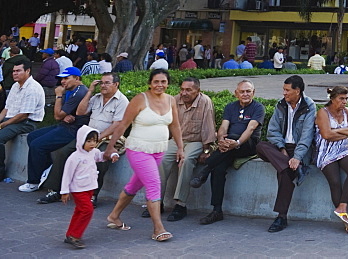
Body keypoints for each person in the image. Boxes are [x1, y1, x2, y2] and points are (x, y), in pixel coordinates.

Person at [103, 68, 184, 243]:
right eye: (156, 81)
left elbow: (175, 126)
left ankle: (114, 216)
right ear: (150, 83)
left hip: (158, 150)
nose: (159, 85)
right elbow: (123, 124)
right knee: (154, 183)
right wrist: (110, 147)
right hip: (138, 149)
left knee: (134, 185)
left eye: (163, 82)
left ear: (168, 83)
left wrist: (180, 147)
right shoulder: (140, 99)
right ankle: (158, 228)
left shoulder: (171, 100)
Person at [38, 72, 128, 205]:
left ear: (116, 84)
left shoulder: (122, 101)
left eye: (107, 83)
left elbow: (117, 125)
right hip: (89, 136)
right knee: (63, 153)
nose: (103, 86)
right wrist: (90, 91)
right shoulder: (96, 97)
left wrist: (98, 138)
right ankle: (56, 191)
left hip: (108, 138)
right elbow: (80, 112)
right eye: (101, 83)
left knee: (102, 161)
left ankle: (92, 196)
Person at [191, 79, 265, 225]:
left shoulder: (258, 108)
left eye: (248, 91)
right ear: (236, 93)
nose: (245, 94)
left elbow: (250, 129)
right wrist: (221, 140)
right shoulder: (230, 107)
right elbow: (224, 127)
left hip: (248, 145)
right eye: (242, 91)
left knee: (233, 138)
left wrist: (236, 143)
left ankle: (205, 170)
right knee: (218, 169)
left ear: (253, 93)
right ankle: (216, 211)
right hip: (228, 148)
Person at [255, 75, 317, 232]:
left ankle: (281, 217)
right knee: (261, 146)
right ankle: (294, 168)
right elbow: (272, 131)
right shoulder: (280, 105)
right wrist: (282, 150)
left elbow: (307, 136)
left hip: (299, 149)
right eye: (283, 89)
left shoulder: (309, 106)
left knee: (284, 174)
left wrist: (297, 157)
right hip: (281, 148)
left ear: (297, 91)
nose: (284, 93)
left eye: (287, 90)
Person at [19, 67, 89, 193]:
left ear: (77, 78)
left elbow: (57, 115)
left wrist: (58, 96)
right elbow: (61, 115)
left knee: (37, 145)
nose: (62, 81)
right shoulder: (71, 89)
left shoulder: (79, 92)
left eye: (66, 78)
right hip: (64, 125)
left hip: (73, 130)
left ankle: (33, 182)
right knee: (32, 137)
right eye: (62, 78)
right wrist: (64, 115)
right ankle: (47, 169)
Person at [158, 77, 216, 222]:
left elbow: (208, 127)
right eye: (182, 89)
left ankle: (180, 205)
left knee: (186, 160)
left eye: (188, 90)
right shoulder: (174, 100)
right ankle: (156, 202)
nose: (184, 93)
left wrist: (206, 150)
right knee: (162, 159)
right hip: (176, 140)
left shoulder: (205, 102)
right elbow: (167, 124)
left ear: (198, 91)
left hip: (195, 141)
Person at [61, 126, 120, 249]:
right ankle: (75, 236)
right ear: (81, 140)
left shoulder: (94, 152)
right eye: (89, 141)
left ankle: (70, 234)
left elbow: (103, 156)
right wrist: (65, 191)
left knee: (79, 211)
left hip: (89, 188)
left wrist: (113, 154)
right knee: (87, 210)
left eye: (94, 141)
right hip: (78, 189)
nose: (92, 144)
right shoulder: (74, 157)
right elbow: (67, 175)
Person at [315, 85, 348, 234]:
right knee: (335, 182)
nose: (345, 102)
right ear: (333, 99)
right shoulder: (323, 113)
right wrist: (346, 132)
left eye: (346, 98)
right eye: (341, 99)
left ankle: (342, 206)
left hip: (343, 149)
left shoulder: (346, 111)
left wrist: (336, 131)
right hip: (326, 152)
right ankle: (346, 220)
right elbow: (326, 135)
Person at [0, 59, 46, 183]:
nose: (14, 74)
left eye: (18, 71)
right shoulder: (15, 85)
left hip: (26, 123)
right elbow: (6, 108)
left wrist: (0, 126)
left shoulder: (33, 88)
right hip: (12, 119)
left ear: (27, 71)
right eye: (13, 71)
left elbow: (23, 115)